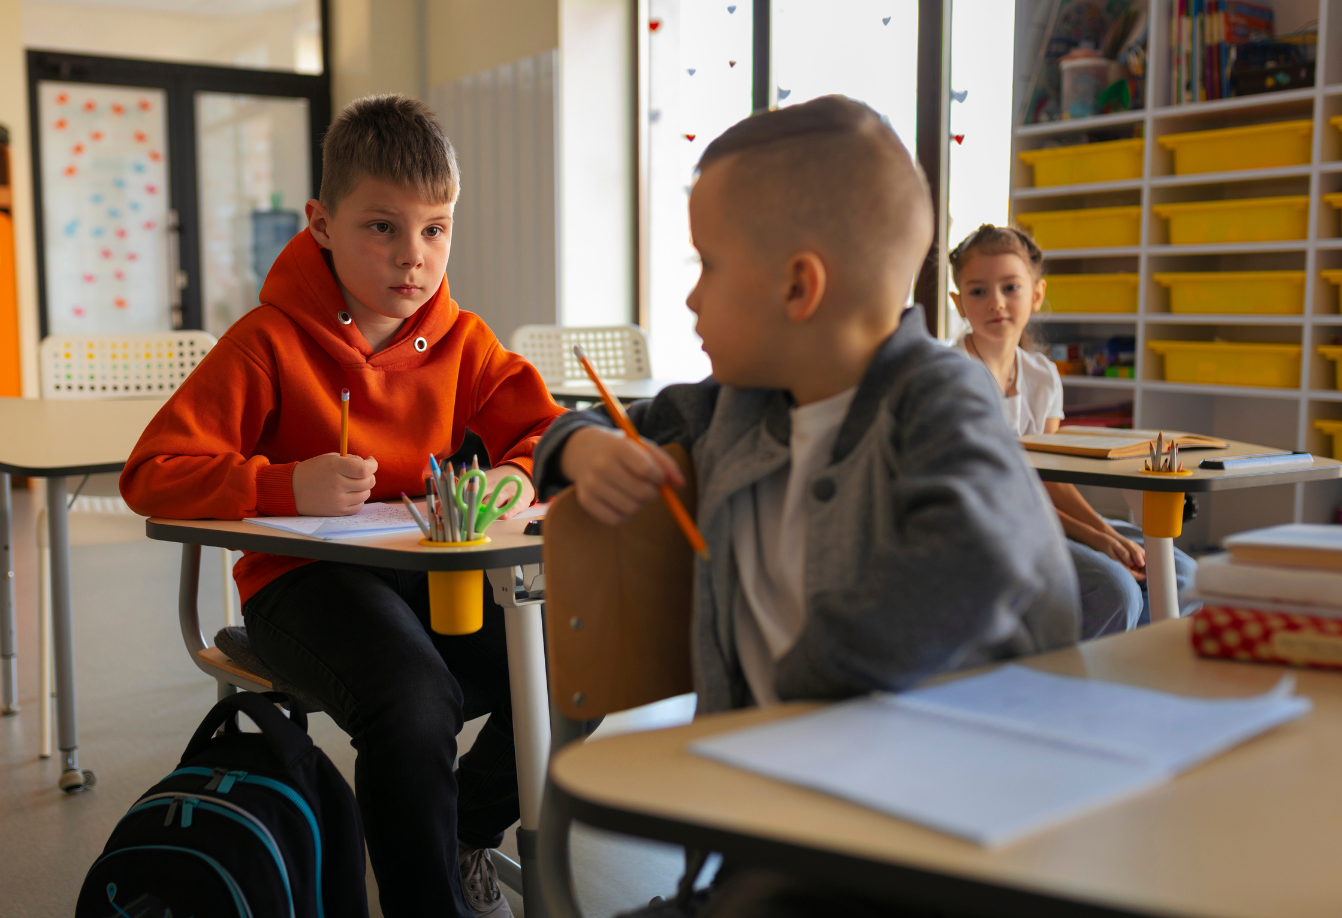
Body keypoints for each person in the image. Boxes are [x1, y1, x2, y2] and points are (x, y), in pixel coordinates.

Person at [121, 94, 565, 918]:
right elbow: (153, 470)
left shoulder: (462, 338)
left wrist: (516, 475)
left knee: (574, 660)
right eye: (382, 227)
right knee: (413, 701)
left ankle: (461, 829)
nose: (413, 258)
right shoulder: (265, 340)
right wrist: (282, 485)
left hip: (426, 578)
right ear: (321, 223)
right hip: (303, 583)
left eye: (435, 229)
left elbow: (548, 431)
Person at [535, 95, 1079, 722]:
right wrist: (586, 449)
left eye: (707, 265)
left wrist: (807, 685)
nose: (690, 298)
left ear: (798, 287)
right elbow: (573, 427)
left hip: (933, 785)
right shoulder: (730, 406)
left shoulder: (937, 392)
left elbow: (977, 558)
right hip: (762, 776)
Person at [948, 223, 1196, 634]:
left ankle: (1129, 679)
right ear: (959, 302)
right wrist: (1099, 540)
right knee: (1114, 589)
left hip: (1044, 515)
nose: (996, 302)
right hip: (991, 524)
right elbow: (1005, 493)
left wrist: (1103, 531)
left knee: (1180, 575)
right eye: (978, 291)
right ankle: (1071, 687)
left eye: (1010, 287)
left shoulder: (1043, 375)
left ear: (1037, 293)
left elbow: (1051, 479)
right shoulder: (953, 376)